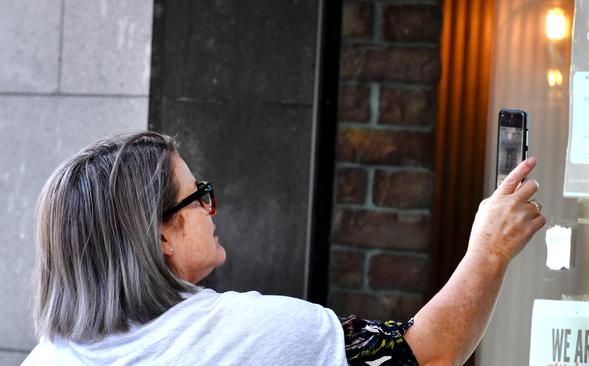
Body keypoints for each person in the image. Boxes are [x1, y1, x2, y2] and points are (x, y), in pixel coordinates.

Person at [22, 131, 545, 365]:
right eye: (198, 195)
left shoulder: (46, 359)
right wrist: (490, 250)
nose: (212, 207)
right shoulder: (254, 337)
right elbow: (426, 354)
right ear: (160, 235)